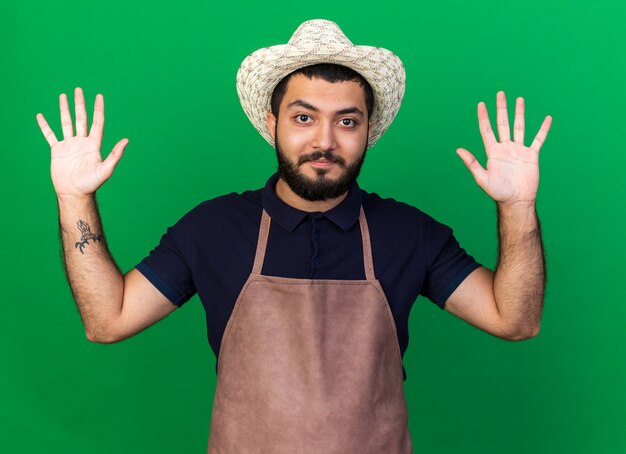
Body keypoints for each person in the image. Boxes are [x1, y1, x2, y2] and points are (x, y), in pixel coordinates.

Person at [36, 19, 551, 454]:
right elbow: (108, 320)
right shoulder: (214, 228)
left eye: (346, 121)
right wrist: (75, 198)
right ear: (273, 122)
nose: (324, 140)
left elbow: (516, 319)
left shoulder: (408, 233)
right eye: (304, 117)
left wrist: (517, 206)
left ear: (368, 130)